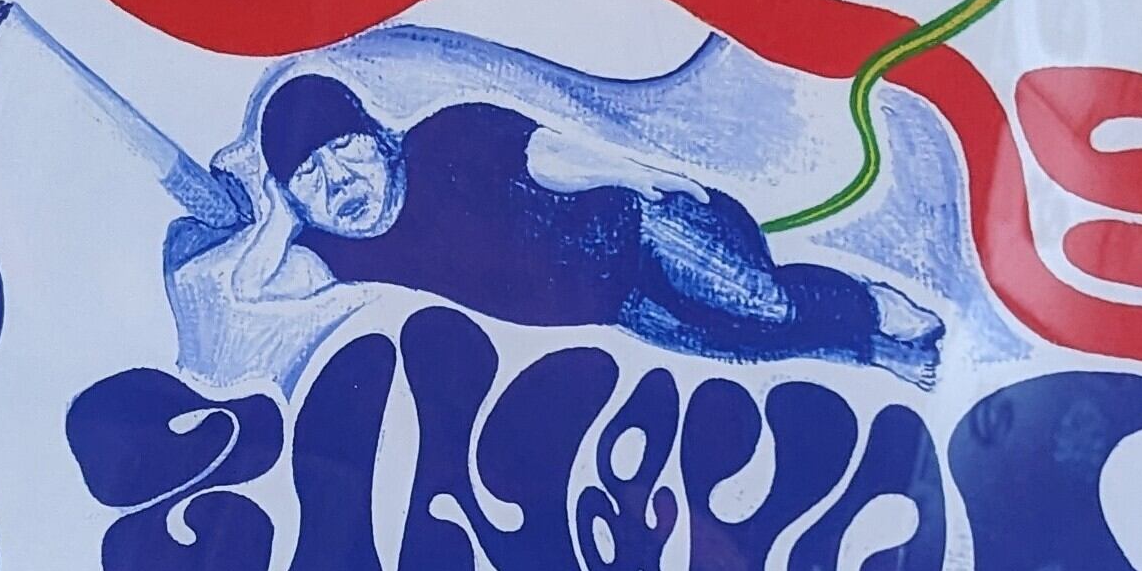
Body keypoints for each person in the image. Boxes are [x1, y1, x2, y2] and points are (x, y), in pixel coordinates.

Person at [244, 70, 941, 379]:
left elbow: (546, 156)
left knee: (762, 305)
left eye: (343, 148)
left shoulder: (444, 138)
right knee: (739, 348)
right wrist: (278, 213)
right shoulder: (336, 251)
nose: (339, 182)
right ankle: (871, 350)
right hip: (613, 302)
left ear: (378, 139)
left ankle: (871, 304)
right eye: (308, 175)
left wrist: (639, 176)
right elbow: (253, 288)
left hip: (643, 226)